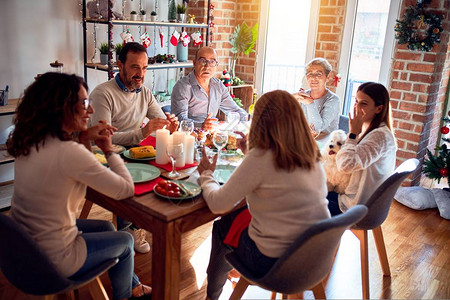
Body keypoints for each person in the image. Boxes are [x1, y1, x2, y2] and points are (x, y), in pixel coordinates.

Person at [7, 72, 151, 300]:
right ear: (62, 107)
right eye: (84, 103)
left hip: (23, 247)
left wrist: (82, 138)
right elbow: (126, 189)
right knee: (126, 241)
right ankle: (126, 295)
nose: (91, 111)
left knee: (107, 228)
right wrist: (108, 149)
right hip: (53, 258)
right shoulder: (69, 152)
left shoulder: (30, 139)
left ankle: (128, 286)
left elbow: (63, 161)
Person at [196, 90, 331, 300]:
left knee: (224, 225)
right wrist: (250, 153)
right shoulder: (310, 154)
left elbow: (218, 204)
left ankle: (212, 297)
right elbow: (277, 178)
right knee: (238, 220)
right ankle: (230, 274)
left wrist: (206, 174)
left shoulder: (262, 157)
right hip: (314, 260)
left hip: (274, 265)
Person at [90, 42, 179, 253]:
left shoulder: (145, 93)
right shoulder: (103, 93)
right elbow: (103, 139)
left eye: (145, 67)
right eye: (135, 67)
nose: (141, 74)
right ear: (120, 65)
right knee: (132, 175)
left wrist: (171, 125)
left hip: (131, 151)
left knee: (164, 164)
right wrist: (142, 132)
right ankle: (129, 227)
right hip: (103, 153)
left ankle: (141, 223)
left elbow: (160, 121)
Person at [326, 82, 397, 216]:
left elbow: (346, 165)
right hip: (361, 200)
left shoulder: (379, 137)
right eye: (356, 101)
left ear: (379, 108)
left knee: (300, 198)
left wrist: (353, 134)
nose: (357, 107)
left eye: (363, 103)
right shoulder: (374, 131)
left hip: (355, 206)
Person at [171, 46, 248, 131]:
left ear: (217, 65)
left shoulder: (218, 86)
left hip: (212, 136)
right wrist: (201, 125)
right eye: (203, 61)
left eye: (212, 62)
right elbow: (179, 120)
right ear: (194, 63)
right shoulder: (183, 87)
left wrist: (249, 119)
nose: (207, 67)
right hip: (189, 137)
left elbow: (234, 110)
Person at [293, 58, 340, 141]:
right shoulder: (303, 95)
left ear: (328, 77)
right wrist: (289, 99)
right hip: (304, 141)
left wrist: (310, 104)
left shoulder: (333, 100)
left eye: (318, 74)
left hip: (325, 146)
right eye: (310, 74)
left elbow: (317, 128)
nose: (313, 78)